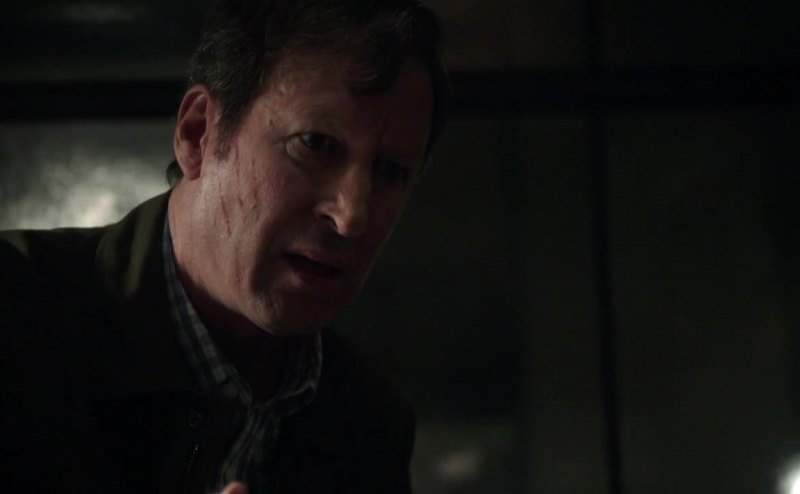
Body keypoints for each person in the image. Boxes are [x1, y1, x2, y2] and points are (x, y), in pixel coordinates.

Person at [0, 0, 449, 492]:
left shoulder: (372, 426)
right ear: (198, 134)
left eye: (391, 172)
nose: (351, 217)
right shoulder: (16, 312)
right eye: (316, 144)